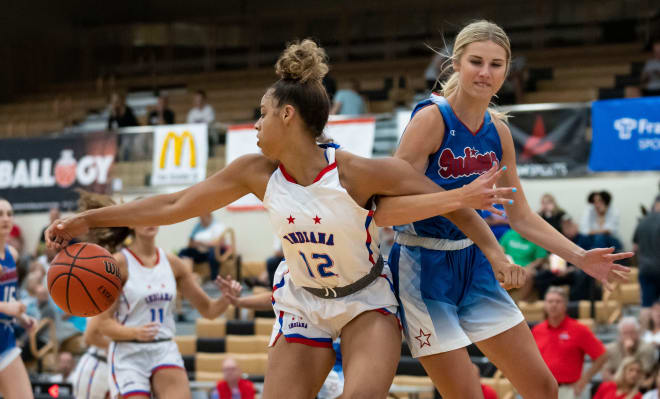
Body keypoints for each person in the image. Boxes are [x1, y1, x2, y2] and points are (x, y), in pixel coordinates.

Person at [47, 38, 526, 399]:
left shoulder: (356, 171)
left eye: (263, 113)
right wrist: (90, 222)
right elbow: (173, 205)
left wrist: (493, 250)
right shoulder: (254, 173)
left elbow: (452, 202)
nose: (256, 124)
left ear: (289, 115)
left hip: (365, 301)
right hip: (301, 303)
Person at [384, 20, 632, 399]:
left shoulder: (498, 132)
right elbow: (387, 208)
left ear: (507, 70)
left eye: (496, 64)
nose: (485, 72)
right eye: (476, 61)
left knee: (543, 387)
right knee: (466, 393)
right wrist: (457, 199)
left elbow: (521, 216)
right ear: (455, 63)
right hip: (422, 266)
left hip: (474, 261)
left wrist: (579, 257)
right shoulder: (431, 120)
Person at [532, 287, 608, 399]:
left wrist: (584, 380)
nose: (553, 305)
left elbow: (602, 355)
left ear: (565, 305)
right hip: (541, 390)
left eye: (558, 301)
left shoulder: (579, 329)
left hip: (568, 390)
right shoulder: (537, 330)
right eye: (550, 301)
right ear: (545, 305)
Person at [0, 198, 35, 399]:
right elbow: (7, 305)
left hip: (4, 337)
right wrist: (7, 308)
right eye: (0, 214)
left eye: (9, 214)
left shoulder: (11, 254)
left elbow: (9, 296)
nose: (5, 218)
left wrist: (22, 317)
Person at [178, 212, 231, 282]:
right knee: (184, 252)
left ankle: (214, 279)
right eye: (200, 218)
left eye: (202, 218)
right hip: (201, 252)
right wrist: (204, 244)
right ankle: (186, 276)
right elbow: (190, 243)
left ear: (209, 216)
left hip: (216, 251)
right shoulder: (198, 226)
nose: (201, 220)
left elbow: (220, 243)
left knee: (213, 251)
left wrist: (201, 244)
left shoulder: (217, 226)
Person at [499, 228, 547, 301]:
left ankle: (521, 302)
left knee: (528, 274)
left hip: (525, 267)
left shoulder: (537, 239)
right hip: (508, 264)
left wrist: (529, 267)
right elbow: (500, 249)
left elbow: (540, 258)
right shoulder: (509, 234)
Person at [635, 195, 660, 329]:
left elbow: (635, 246)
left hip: (645, 269)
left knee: (646, 306)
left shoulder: (643, 221)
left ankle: (645, 336)